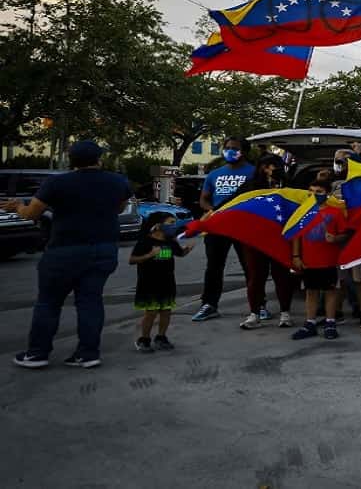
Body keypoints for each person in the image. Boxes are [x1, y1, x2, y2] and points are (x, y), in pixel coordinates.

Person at [9, 141, 133, 369]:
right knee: (90, 301)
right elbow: (119, 208)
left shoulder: (57, 182)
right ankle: (87, 354)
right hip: (104, 249)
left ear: (71, 160)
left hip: (64, 250)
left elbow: (32, 213)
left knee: (48, 303)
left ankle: (37, 354)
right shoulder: (118, 181)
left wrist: (17, 206)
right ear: (99, 159)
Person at [191, 137, 255, 322]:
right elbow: (204, 198)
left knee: (250, 266)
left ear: (244, 151)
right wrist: (211, 210)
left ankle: (258, 306)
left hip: (244, 226)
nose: (229, 151)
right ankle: (209, 305)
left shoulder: (253, 173)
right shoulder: (214, 174)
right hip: (218, 225)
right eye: (227, 148)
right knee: (214, 267)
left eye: (234, 148)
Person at [235, 154, 297, 330]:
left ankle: (285, 313)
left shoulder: (289, 185)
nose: (269, 169)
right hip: (254, 239)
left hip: (281, 238)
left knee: (282, 276)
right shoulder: (249, 186)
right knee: (256, 277)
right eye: (265, 166)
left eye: (273, 166)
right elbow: (234, 204)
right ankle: (255, 313)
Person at [290, 178, 351, 340]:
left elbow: (345, 234)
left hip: (329, 260)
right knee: (311, 291)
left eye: (319, 192)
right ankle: (310, 323)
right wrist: (296, 256)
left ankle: (330, 322)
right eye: (311, 191)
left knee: (330, 291)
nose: (314, 195)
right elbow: (295, 235)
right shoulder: (302, 212)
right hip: (309, 260)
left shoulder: (335, 212)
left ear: (327, 194)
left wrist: (336, 239)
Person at [129, 212, 194, 353]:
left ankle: (161, 337)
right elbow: (132, 259)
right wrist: (150, 255)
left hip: (167, 281)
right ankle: (144, 339)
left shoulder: (170, 241)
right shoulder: (145, 242)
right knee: (151, 312)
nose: (173, 226)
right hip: (149, 282)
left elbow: (180, 253)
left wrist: (187, 249)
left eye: (174, 223)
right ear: (158, 225)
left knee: (166, 310)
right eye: (170, 222)